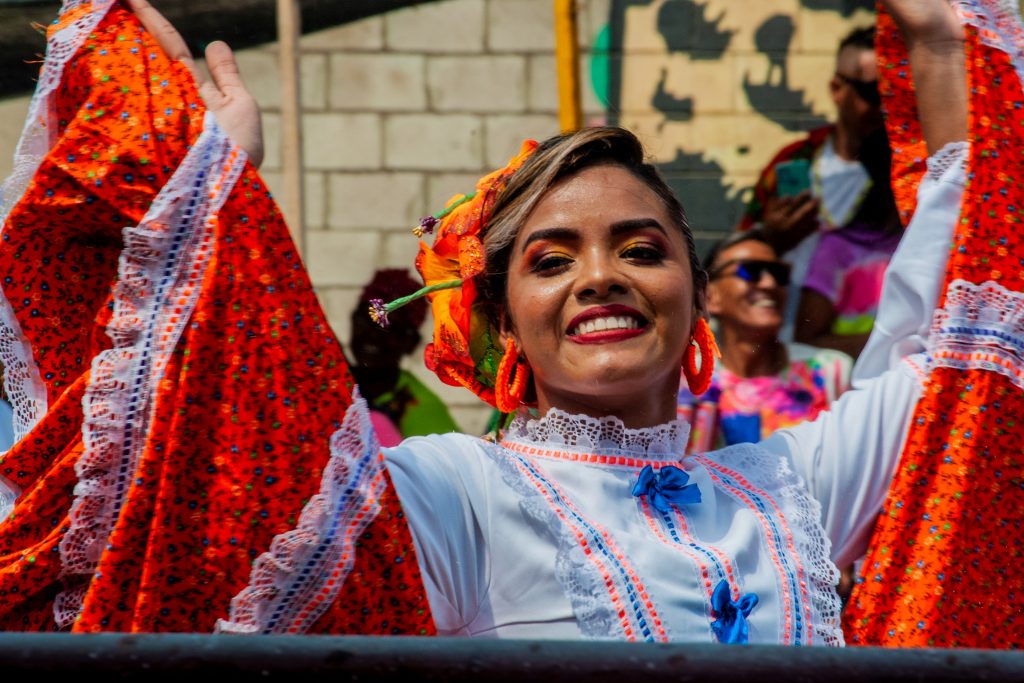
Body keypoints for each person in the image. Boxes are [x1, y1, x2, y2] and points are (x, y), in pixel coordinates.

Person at [0, 0, 1004, 649]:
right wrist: (204, 208)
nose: (600, 278)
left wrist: (935, 44)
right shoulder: (460, 493)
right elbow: (232, 474)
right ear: (501, 323)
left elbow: (966, 362)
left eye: (641, 248)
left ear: (695, 293)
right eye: (551, 260)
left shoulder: (784, 486)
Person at [739, 26, 900, 350]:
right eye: (873, 93)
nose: (885, 107)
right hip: (789, 343)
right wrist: (771, 240)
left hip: (878, 344)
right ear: (837, 89)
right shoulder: (794, 161)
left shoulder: (909, 170)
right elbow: (737, 261)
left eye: (895, 94)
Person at [677, 231, 852, 455]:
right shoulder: (685, 379)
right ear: (709, 297)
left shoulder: (829, 372)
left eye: (779, 274)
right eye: (750, 271)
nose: (769, 283)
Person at [350, 268, 459, 446]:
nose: (373, 334)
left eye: (390, 327)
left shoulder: (423, 409)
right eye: (365, 320)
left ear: (411, 342)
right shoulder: (328, 380)